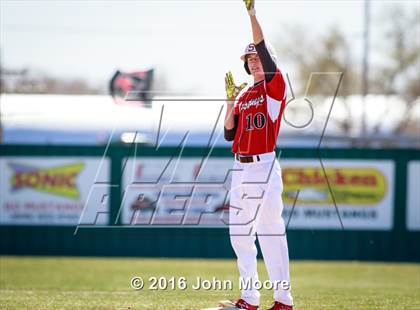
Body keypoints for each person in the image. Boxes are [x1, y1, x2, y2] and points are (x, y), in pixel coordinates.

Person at [221, 0, 293, 309]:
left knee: (270, 233)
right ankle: (252, 297)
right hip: (241, 167)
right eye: (249, 59)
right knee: (240, 233)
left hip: (263, 165)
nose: (253, 62)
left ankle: (280, 299)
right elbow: (228, 134)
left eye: (257, 57)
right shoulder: (245, 94)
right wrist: (228, 103)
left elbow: (263, 48)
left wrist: (252, 14)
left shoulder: (274, 89)